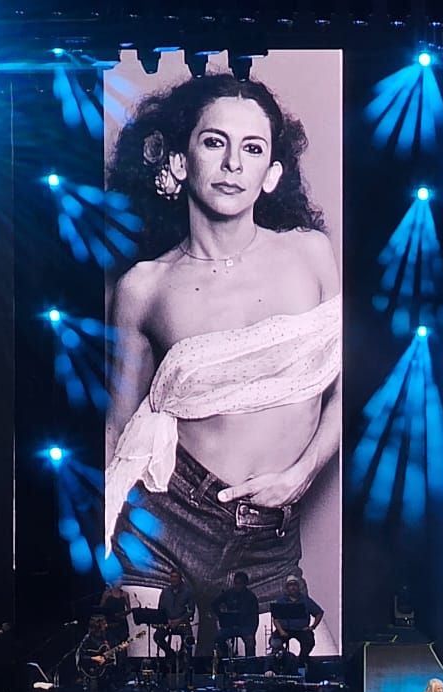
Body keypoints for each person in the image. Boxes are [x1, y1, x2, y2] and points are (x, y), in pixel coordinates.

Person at [104, 72, 340, 622]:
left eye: (252, 148)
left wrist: (303, 472)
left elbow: (350, 385)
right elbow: (117, 433)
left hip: (270, 540)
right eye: (215, 142)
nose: (233, 163)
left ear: (272, 173)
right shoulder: (144, 286)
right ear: (180, 162)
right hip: (164, 520)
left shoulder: (311, 255)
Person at [269, 572, 323, 668]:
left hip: (301, 630)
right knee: (274, 642)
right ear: (287, 588)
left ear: (298, 587)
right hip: (284, 630)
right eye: (290, 585)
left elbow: (319, 612)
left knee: (309, 641)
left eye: (294, 585)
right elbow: (276, 618)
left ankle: (301, 661)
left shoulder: (305, 600)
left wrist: (312, 627)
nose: (293, 587)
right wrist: (281, 631)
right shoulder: (281, 600)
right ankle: (284, 661)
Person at [211, 570, 260, 660]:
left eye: (240, 583)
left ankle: (251, 668)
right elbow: (214, 603)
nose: (238, 586)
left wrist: (252, 632)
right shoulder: (228, 593)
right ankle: (227, 659)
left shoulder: (251, 596)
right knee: (218, 637)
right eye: (236, 583)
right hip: (230, 626)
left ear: (245, 584)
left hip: (245, 627)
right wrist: (221, 616)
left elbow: (255, 617)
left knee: (250, 642)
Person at [77, 614, 114, 692]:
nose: (106, 625)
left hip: (102, 671)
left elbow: (104, 654)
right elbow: (81, 656)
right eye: (104, 623)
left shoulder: (104, 637)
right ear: (98, 625)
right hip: (91, 671)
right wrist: (94, 658)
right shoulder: (88, 638)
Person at [154, 568, 196, 667]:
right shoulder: (165, 591)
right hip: (168, 623)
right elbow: (161, 609)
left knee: (188, 639)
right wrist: (167, 620)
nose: (173, 579)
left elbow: (191, 610)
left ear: (180, 578)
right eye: (172, 577)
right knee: (157, 636)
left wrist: (179, 620)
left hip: (182, 622)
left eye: (175, 577)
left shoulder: (187, 592)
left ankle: (184, 659)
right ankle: (170, 654)